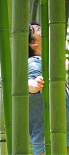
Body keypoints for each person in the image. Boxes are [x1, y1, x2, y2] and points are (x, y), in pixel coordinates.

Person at [28, 22, 69, 155]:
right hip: (50, 142)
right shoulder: (34, 62)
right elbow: (28, 83)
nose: (44, 30)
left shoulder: (49, 66)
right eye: (39, 29)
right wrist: (34, 85)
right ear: (32, 43)